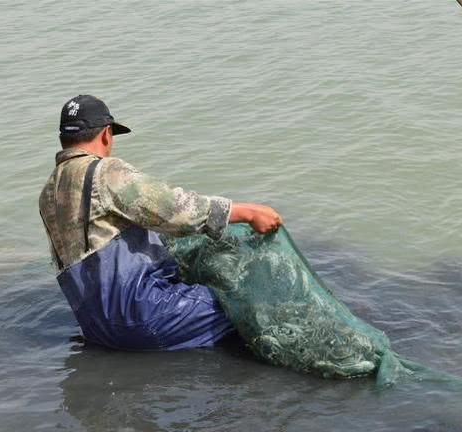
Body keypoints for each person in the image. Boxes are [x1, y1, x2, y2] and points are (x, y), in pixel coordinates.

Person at [39, 95, 282, 350]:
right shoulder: (105, 172)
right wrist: (247, 212)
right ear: (105, 135)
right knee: (247, 302)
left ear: (63, 140)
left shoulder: (48, 193)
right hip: (143, 317)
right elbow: (175, 209)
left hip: (98, 330)